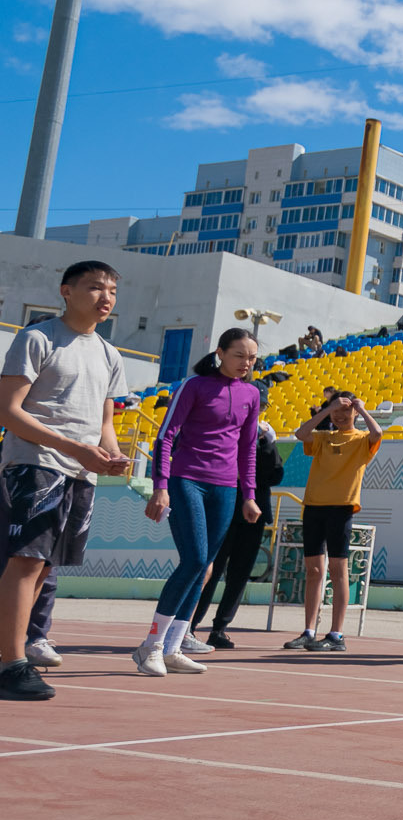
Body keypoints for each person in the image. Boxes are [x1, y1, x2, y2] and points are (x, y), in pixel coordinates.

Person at [0, 261, 128, 702]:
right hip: (35, 463)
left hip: (80, 470)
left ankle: (11, 655)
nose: (105, 297)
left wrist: (111, 454)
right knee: (25, 561)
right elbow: (8, 410)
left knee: (44, 566)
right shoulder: (37, 338)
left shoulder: (110, 354)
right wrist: (75, 448)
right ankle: (12, 664)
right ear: (66, 291)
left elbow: (104, 422)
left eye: (112, 290)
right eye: (94, 287)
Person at [134, 330, 263, 675]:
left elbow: (247, 448)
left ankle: (173, 648)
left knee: (205, 565)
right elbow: (165, 436)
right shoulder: (194, 386)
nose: (246, 363)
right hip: (187, 480)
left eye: (252, 357)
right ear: (220, 353)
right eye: (239, 355)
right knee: (193, 560)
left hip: (226, 489)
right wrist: (161, 486)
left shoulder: (252, 394)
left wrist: (249, 495)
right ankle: (151, 645)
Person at [286, 392, 383, 652]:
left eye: (345, 411)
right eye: (336, 411)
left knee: (338, 571)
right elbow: (300, 433)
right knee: (314, 571)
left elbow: (377, 433)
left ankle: (336, 634)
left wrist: (362, 410)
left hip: (341, 509)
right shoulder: (324, 437)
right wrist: (328, 410)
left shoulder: (361, 439)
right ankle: (309, 631)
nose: (340, 416)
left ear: (354, 413)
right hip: (313, 507)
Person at [195, 420, 286, 649]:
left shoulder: (264, 443)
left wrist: (267, 443)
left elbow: (275, 476)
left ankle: (219, 629)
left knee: (239, 574)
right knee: (210, 571)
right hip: (222, 511)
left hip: (252, 516)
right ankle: (189, 625)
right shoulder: (227, 435)